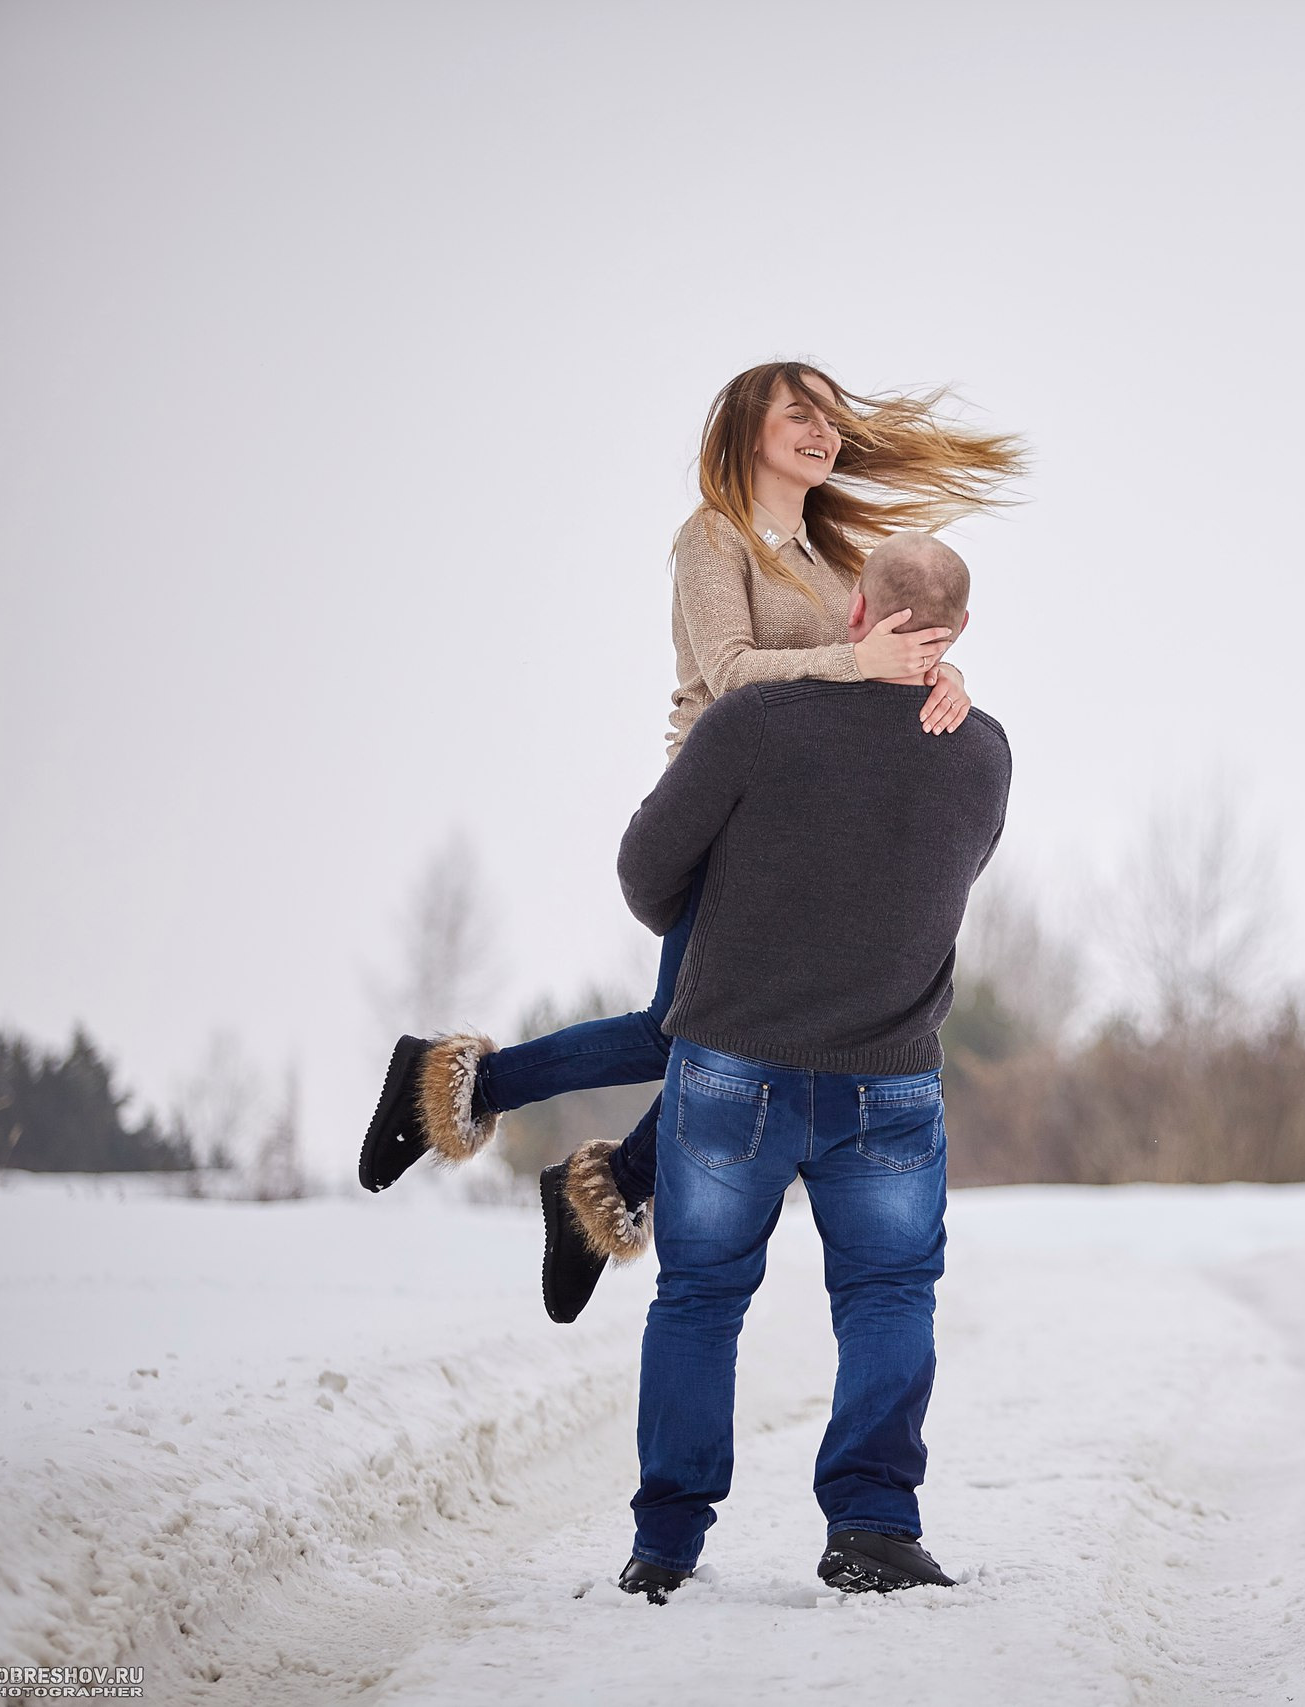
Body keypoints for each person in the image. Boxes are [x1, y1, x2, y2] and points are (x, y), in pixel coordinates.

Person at [354, 361, 1023, 1323]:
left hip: (800, 829)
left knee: (719, 1034)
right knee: (693, 1031)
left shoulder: (837, 559)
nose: (823, 432)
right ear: (749, 428)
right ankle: (488, 1107)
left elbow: (880, 663)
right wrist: (860, 658)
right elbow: (735, 671)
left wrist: (940, 683)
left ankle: (564, 1157)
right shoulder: (711, 539)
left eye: (831, 420)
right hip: (723, 814)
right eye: (800, 414)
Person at [608, 533, 1010, 1601]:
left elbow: (647, 873)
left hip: (734, 1063)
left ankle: (666, 1547)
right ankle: (873, 1528)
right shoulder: (982, 750)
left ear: (852, 613)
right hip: (887, 1075)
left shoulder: (753, 726)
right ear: (959, 629)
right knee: (887, 1296)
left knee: (698, 1298)